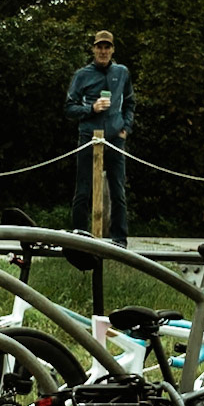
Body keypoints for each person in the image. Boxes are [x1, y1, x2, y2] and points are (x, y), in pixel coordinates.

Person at [65, 30, 135, 247]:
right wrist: (91, 108)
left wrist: (126, 127)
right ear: (93, 49)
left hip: (115, 138)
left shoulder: (122, 72)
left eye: (107, 47)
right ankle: (79, 238)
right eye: (99, 47)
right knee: (83, 189)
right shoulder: (82, 75)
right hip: (89, 136)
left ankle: (119, 241)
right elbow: (69, 108)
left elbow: (130, 102)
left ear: (112, 50)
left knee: (118, 190)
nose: (103, 51)